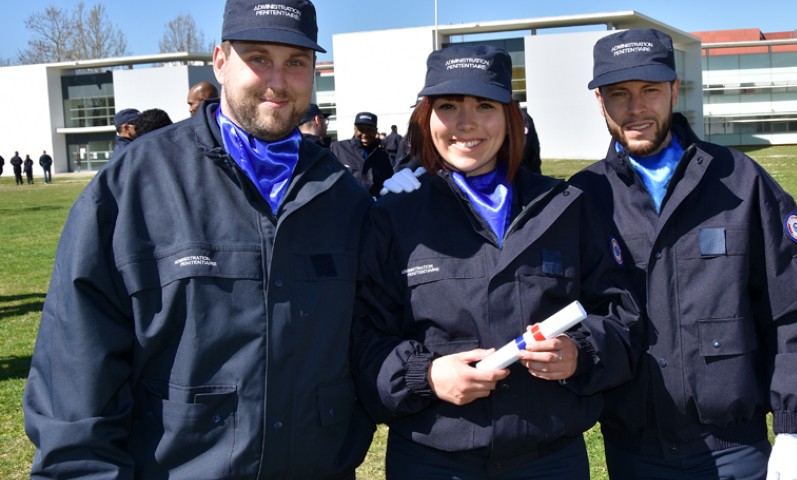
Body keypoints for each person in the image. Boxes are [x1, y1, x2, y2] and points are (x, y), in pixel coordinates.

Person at [23, 0, 375, 478]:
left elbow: (372, 341)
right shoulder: (136, 183)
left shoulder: (343, 195)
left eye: (296, 62)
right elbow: (75, 373)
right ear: (219, 61)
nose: (278, 79)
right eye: (258, 58)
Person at [351, 44, 640, 479]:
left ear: (511, 118)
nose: (466, 123)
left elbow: (623, 317)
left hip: (550, 460)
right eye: (448, 105)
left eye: (484, 105)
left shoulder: (565, 207)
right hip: (432, 461)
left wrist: (579, 353)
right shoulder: (393, 217)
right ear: (426, 117)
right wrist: (423, 375)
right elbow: (362, 336)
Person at [567, 28, 797, 480]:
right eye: (619, 94)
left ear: (674, 90)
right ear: (600, 102)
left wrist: (794, 431)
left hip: (735, 447)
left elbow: (794, 305)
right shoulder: (582, 196)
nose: (635, 108)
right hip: (634, 451)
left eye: (650, 90)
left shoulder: (740, 180)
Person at [330, 111, 393, 196]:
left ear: (376, 131)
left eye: (370, 130)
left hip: (373, 206)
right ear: (355, 129)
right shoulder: (337, 148)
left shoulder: (382, 155)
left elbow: (389, 183)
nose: (365, 134)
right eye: (361, 129)